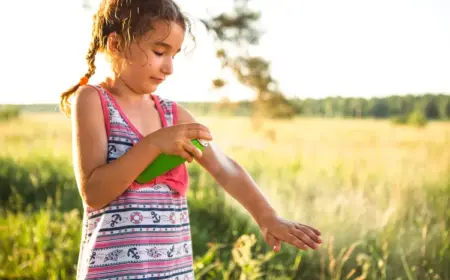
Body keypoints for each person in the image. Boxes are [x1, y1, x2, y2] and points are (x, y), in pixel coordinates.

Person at [61, 0, 322, 279]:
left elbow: (225, 168)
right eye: (160, 52)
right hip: (115, 273)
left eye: (174, 54)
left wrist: (267, 216)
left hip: (173, 271)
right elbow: (94, 193)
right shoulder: (93, 100)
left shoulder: (174, 116)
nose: (169, 67)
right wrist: (153, 145)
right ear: (115, 45)